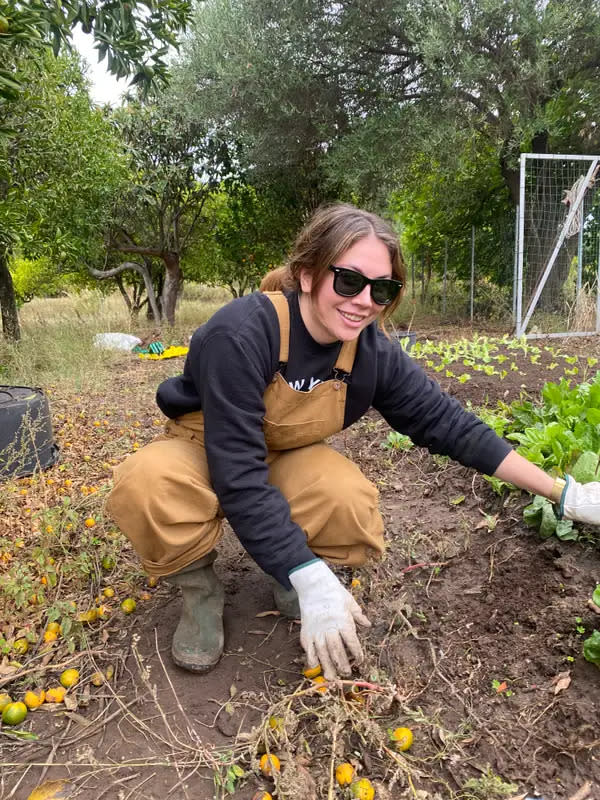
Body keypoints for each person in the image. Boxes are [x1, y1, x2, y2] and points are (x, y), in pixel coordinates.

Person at [106, 202, 600, 680]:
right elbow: (238, 473)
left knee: (347, 498)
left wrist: (563, 494)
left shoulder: (370, 351)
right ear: (307, 275)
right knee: (147, 485)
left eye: (382, 288)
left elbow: (450, 425)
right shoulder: (241, 333)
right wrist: (309, 569)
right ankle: (201, 594)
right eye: (348, 280)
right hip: (204, 440)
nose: (364, 300)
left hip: (285, 452)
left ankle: (288, 581)